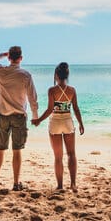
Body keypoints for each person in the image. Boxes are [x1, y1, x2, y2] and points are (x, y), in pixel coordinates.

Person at [0, 45, 38, 191]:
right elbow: (33, 98)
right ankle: (16, 183)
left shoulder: (1, 71)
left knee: (0, 149)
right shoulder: (25, 75)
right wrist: (35, 116)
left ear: (9, 57)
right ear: (21, 58)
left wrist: (0, 54)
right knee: (17, 150)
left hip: (3, 116)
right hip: (19, 117)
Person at [32, 62, 84, 192]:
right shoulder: (72, 90)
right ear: (67, 76)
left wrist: (39, 120)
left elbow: (50, 109)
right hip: (67, 122)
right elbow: (76, 109)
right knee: (71, 154)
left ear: (56, 76)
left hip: (55, 123)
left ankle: (60, 185)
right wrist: (81, 123)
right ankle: (73, 184)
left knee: (58, 157)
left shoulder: (52, 90)